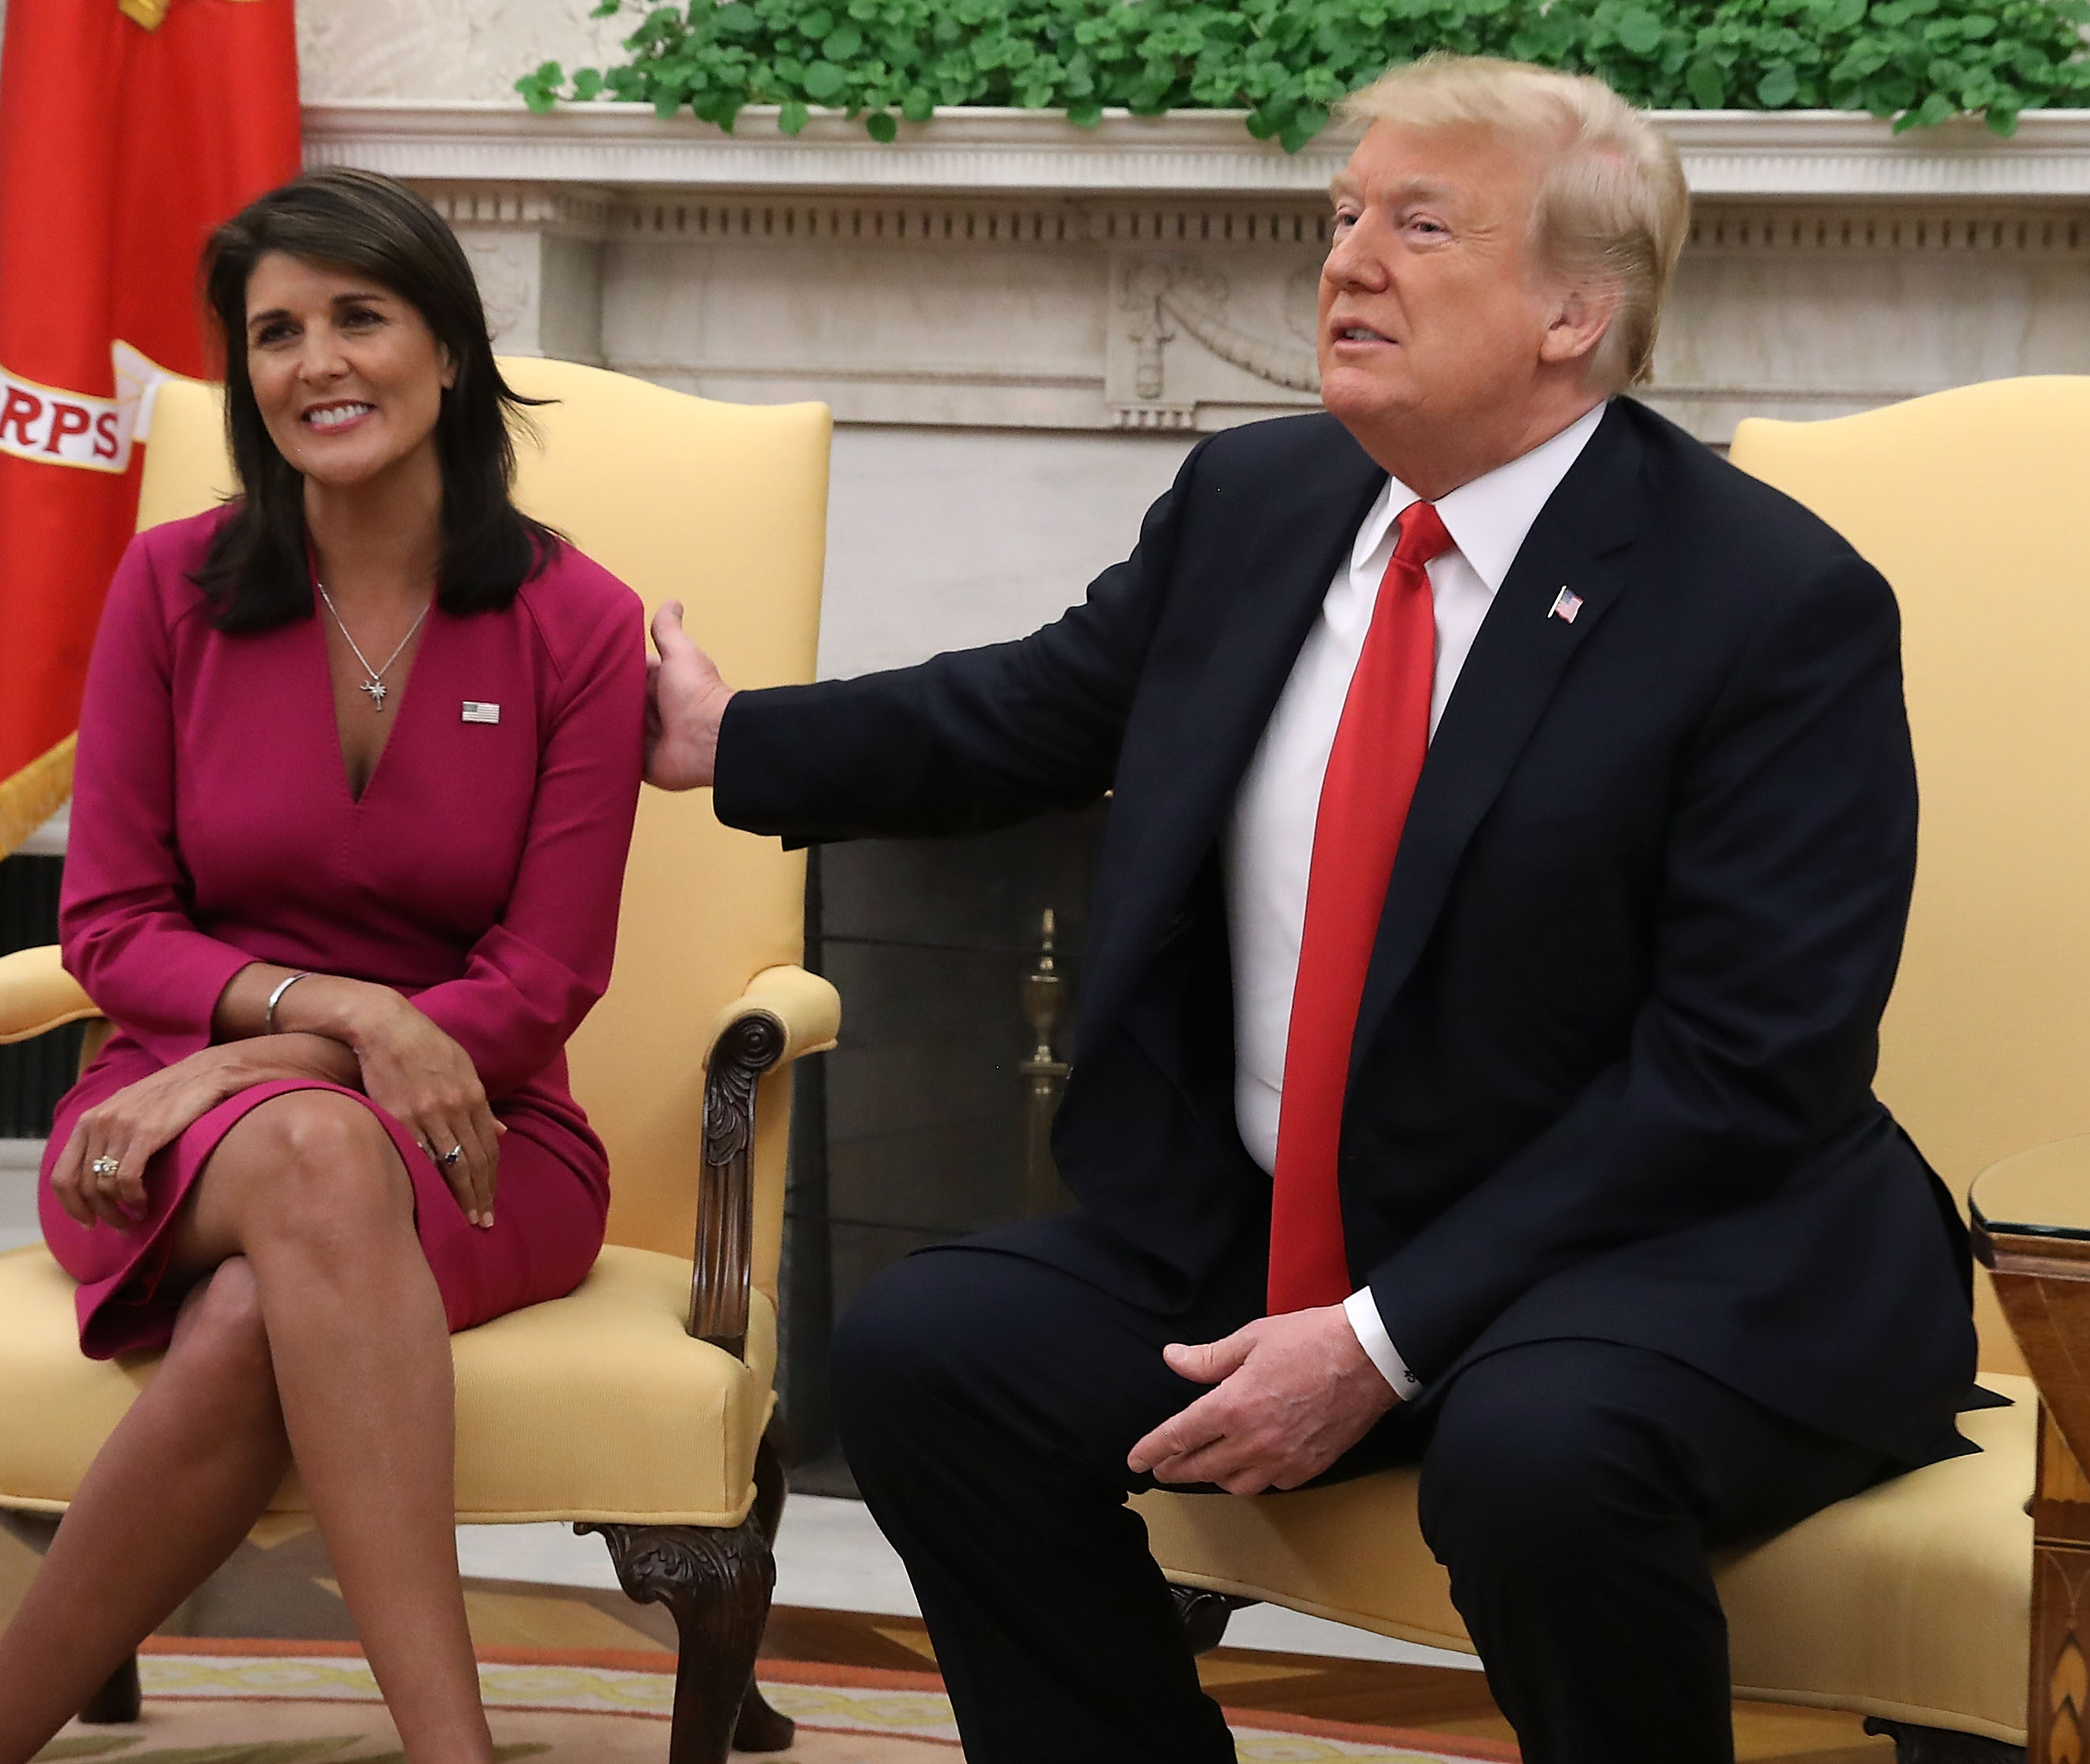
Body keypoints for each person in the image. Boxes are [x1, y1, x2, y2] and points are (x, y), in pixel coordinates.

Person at [644, 54, 1979, 1764]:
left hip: (1658, 1256)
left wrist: (1376, 1341)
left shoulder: (1770, 603)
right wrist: (732, 737)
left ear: (1575, 310)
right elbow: (1036, 709)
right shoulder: (1258, 504)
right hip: (1287, 1226)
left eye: (1420, 226)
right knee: (936, 1351)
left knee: (1540, 1457)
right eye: (1345, 215)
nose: (1347, 259)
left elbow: (1742, 1068)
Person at [0, 167, 646, 1764]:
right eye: (275, 332)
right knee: (313, 1155)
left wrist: (272, 1055)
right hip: (159, 1127)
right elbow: (113, 926)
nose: (317, 362)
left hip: (482, 1130)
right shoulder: (169, 587)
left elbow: (542, 979)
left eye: (359, 317)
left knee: (266, 1288)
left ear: (446, 345)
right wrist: (344, 1015)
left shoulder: (581, 621)